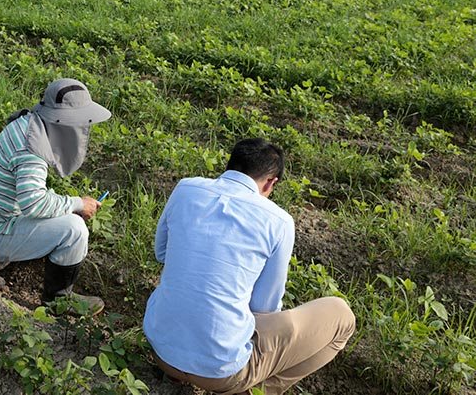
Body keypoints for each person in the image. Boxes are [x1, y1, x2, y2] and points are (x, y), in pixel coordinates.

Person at [143, 138, 355, 395]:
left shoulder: (186, 189)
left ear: (230, 165)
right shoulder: (278, 221)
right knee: (342, 315)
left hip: (161, 350)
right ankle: (254, 391)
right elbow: (264, 308)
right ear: (271, 182)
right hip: (221, 373)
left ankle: (182, 373)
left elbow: (161, 252)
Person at [0, 78, 110, 314]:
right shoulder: (31, 149)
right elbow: (34, 203)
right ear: (64, 120)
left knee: (60, 214)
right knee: (74, 229)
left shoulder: (28, 124)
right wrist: (78, 204)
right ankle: (58, 301)